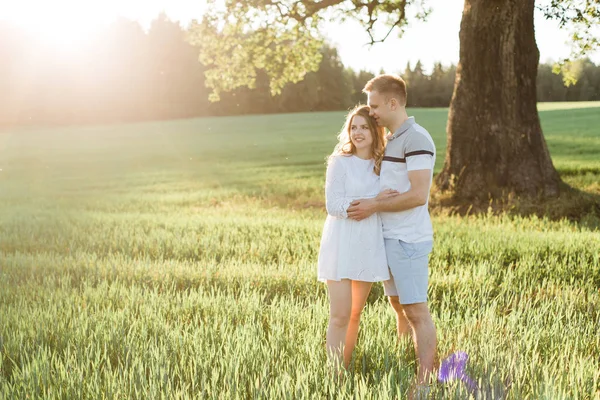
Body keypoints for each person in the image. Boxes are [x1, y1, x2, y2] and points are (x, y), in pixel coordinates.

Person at [347, 74, 438, 397]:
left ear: (393, 103)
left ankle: (425, 383)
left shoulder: (417, 139)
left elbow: (417, 195)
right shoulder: (394, 139)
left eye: (374, 106)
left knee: (416, 310)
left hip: (408, 240)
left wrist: (373, 205)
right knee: (398, 306)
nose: (370, 113)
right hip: (388, 238)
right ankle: (404, 361)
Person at [317, 105, 398, 373]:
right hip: (340, 243)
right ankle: (333, 374)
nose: (358, 132)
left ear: (376, 132)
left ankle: (345, 366)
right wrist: (373, 202)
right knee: (339, 315)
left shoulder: (382, 165)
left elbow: (392, 199)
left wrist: (374, 205)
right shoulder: (339, 162)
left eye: (364, 127)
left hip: (366, 243)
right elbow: (334, 205)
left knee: (354, 314)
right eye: (354, 127)